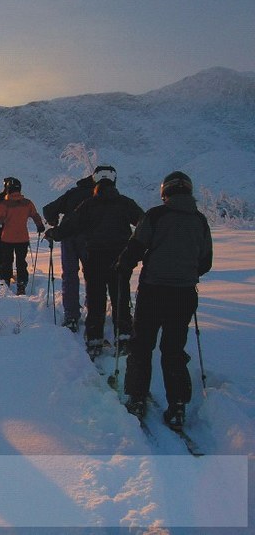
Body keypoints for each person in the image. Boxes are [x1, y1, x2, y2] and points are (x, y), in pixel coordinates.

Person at [117, 171, 213, 430]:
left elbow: (136, 247)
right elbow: (205, 262)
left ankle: (136, 398)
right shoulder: (200, 221)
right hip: (184, 295)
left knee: (142, 345)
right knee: (173, 350)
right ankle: (178, 405)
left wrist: (123, 267)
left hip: (153, 291)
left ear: (166, 192)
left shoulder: (156, 216)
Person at [45, 165, 143, 358]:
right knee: (120, 297)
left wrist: (52, 233)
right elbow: (145, 223)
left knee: (96, 298)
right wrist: (137, 249)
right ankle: (123, 336)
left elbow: (70, 226)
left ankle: (95, 339)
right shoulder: (125, 203)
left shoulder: (89, 204)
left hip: (95, 259)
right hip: (120, 259)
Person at [42, 174, 96, 332]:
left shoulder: (72, 193)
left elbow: (49, 209)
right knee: (92, 275)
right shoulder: (99, 194)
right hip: (91, 240)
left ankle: (71, 315)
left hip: (68, 236)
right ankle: (93, 311)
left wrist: (53, 221)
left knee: (70, 275)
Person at [0, 177, 45, 295]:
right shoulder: (27, 203)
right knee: (21, 262)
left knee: (7, 261)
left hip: (7, 238)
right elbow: (35, 215)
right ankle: (21, 284)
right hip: (23, 238)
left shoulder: (4, 204)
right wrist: (40, 226)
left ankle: (5, 282)